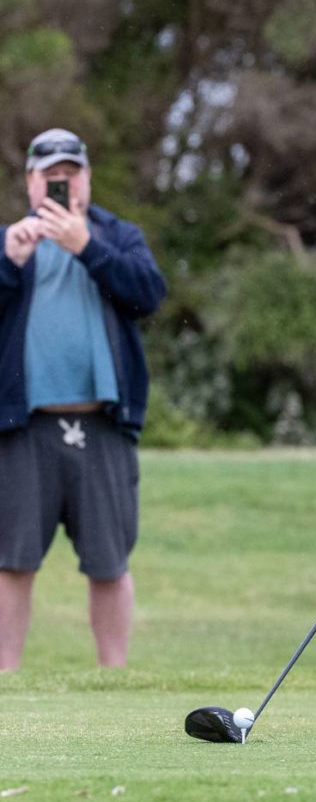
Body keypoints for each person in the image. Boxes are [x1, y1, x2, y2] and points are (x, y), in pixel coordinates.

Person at [0, 128, 166, 670]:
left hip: (103, 425)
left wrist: (86, 247)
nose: (61, 182)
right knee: (12, 559)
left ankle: (113, 676)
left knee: (109, 562)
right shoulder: (9, 243)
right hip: (25, 427)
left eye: (71, 173)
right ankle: (6, 675)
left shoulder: (117, 237)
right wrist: (9, 264)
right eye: (50, 175)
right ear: (30, 182)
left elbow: (148, 295)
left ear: (87, 179)